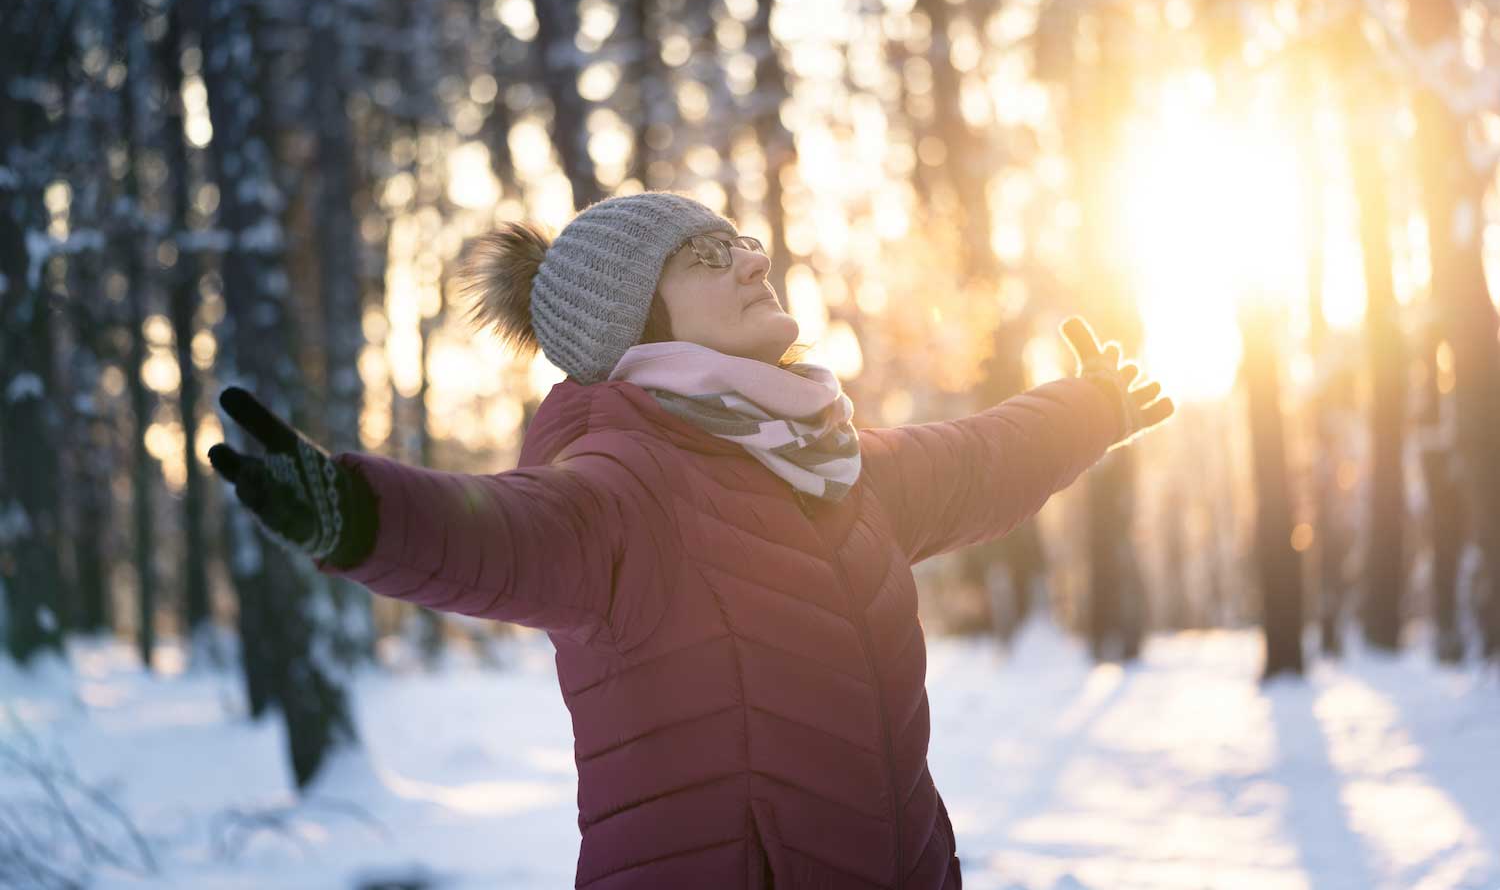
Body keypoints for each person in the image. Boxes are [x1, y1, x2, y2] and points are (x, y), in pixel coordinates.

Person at [208, 191, 1173, 889]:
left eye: (743, 243)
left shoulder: (834, 463)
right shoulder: (630, 488)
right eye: (708, 258)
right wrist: (359, 512)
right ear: (641, 320)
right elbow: (504, 534)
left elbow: (978, 461)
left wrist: (1088, 408)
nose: (754, 260)